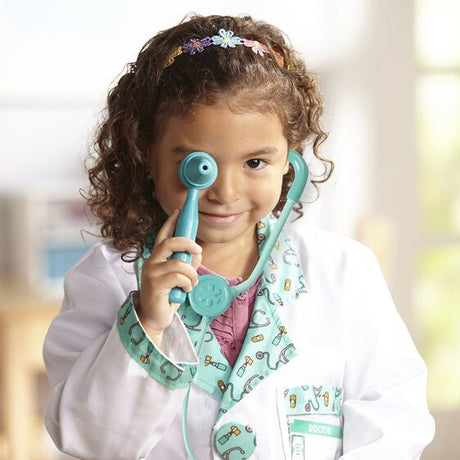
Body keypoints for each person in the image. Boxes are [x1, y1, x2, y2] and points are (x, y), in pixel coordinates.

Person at [43, 14, 434, 460]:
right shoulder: (106, 278)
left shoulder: (343, 271)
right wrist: (148, 323)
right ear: (146, 152)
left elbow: (392, 419)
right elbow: (88, 440)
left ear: (289, 160)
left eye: (254, 163)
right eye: (197, 165)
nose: (225, 192)